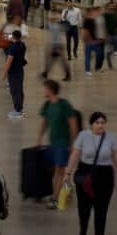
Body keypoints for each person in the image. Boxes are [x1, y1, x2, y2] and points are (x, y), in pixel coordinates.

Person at [65, 112, 117, 235]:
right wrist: (67, 172)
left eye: (103, 122)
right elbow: (75, 154)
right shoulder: (83, 136)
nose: (100, 125)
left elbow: (116, 158)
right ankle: (83, 228)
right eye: (97, 122)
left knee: (101, 209)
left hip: (105, 175)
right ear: (92, 124)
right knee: (84, 208)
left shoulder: (111, 138)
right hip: (86, 174)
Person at [37, 79, 80, 208]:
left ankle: (56, 199)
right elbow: (45, 122)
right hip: (53, 143)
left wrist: (73, 144)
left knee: (60, 171)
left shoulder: (64, 105)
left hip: (63, 143)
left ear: (50, 90)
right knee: (54, 170)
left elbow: (73, 125)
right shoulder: (47, 105)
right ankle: (66, 189)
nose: (43, 91)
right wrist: (39, 137)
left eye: (45, 88)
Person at [2, 27, 28, 118]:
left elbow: (9, 61)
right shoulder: (22, 45)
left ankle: (17, 111)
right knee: (19, 90)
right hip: (20, 71)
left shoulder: (12, 48)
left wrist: (5, 73)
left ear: (13, 37)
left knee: (14, 91)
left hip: (13, 72)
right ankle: (19, 108)